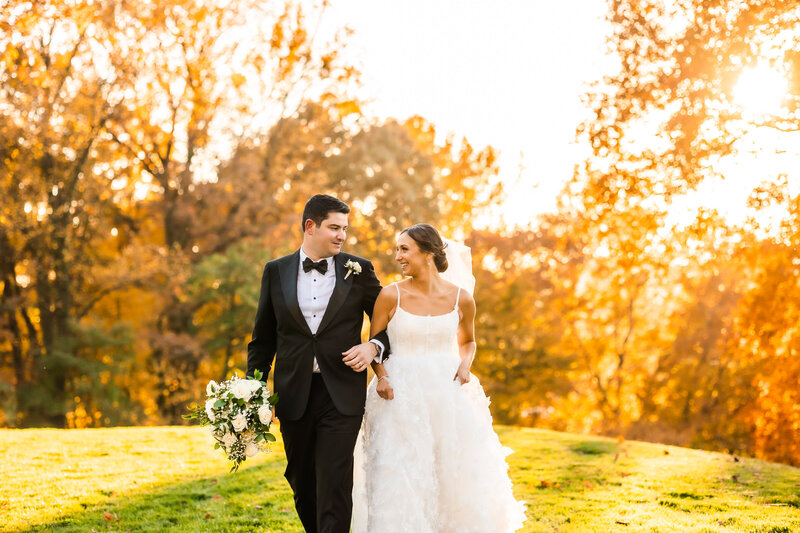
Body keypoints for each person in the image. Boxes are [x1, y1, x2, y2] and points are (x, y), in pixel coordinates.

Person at [352, 223, 526, 533]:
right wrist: (381, 376)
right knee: (401, 472)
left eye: (404, 249)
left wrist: (465, 364)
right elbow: (375, 343)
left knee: (453, 470)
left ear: (428, 253)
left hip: (448, 393)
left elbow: (468, 341)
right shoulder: (390, 295)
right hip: (399, 395)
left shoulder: (462, 298)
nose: (398, 256)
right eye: (398, 249)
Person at [247, 194, 390, 533]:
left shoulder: (360, 270)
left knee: (335, 482)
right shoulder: (275, 271)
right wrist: (253, 389)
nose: (342, 235)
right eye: (334, 228)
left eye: (345, 228)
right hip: (293, 393)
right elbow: (263, 339)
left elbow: (390, 324)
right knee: (302, 481)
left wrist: (373, 347)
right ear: (310, 226)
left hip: (341, 393)